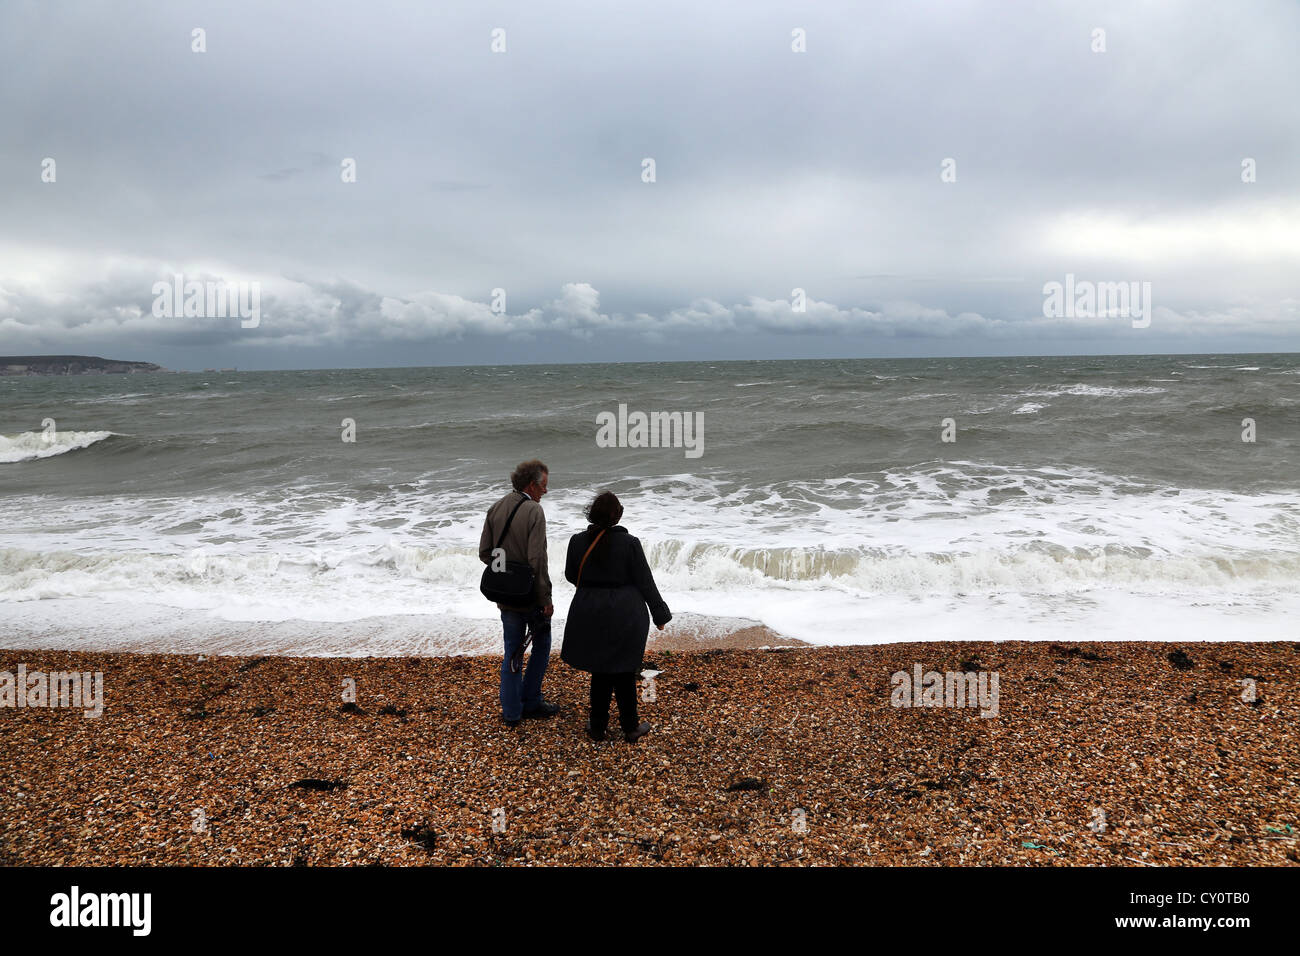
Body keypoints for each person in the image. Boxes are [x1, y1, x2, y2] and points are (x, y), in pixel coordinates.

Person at [560, 491, 671, 743]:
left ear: (592, 513)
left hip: (589, 611)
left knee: (600, 670)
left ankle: (598, 727)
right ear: (618, 515)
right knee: (624, 670)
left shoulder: (577, 542)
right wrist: (660, 614)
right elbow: (646, 582)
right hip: (626, 613)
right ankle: (630, 727)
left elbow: (570, 575)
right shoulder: (630, 543)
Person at [478, 459, 557, 727]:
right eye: (544, 486)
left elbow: (485, 553)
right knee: (541, 646)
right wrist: (545, 599)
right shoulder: (534, 511)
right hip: (531, 596)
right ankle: (531, 701)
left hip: (505, 596)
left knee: (512, 651)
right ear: (531, 485)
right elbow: (537, 559)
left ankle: (511, 713)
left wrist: (507, 570)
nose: (546, 491)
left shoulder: (496, 507)